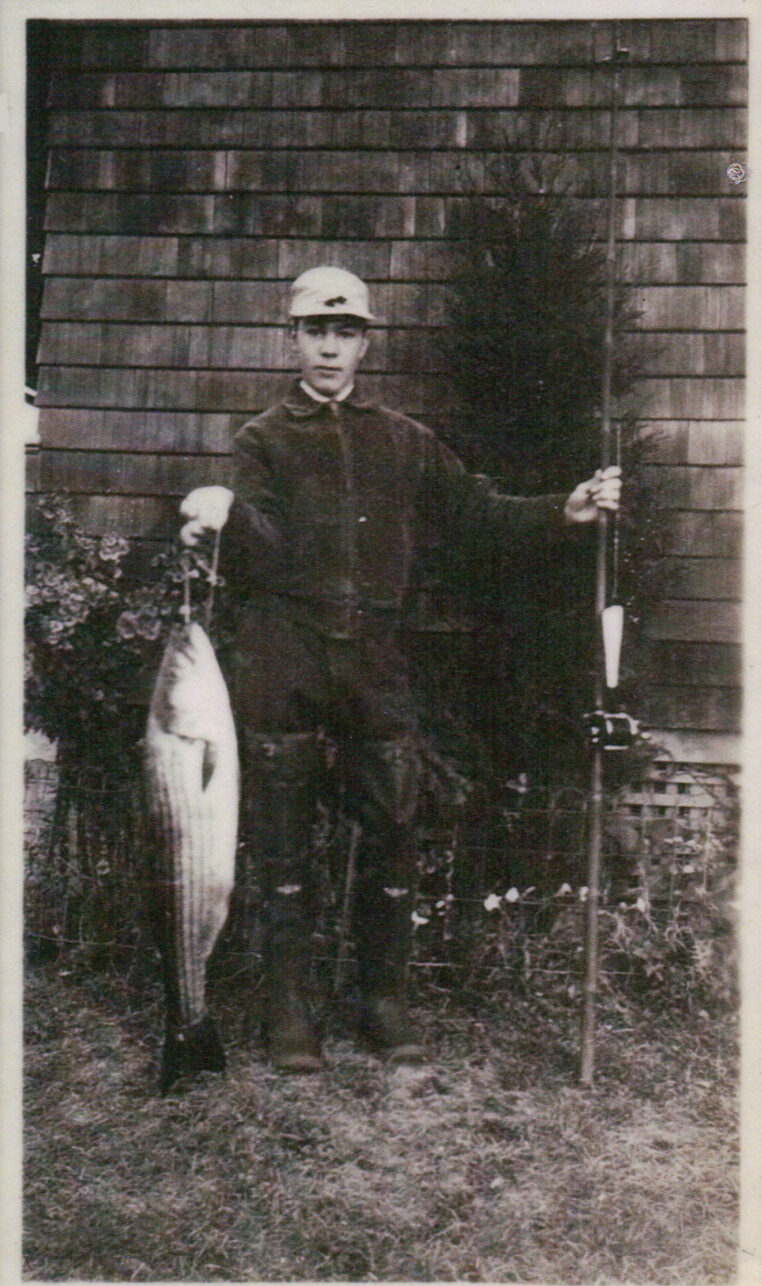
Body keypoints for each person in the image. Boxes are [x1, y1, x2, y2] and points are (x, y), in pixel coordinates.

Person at [180, 266, 621, 1072]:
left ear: (364, 343)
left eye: (345, 332)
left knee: (391, 832)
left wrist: (565, 509)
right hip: (285, 661)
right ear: (293, 339)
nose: (329, 347)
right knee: (283, 848)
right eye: (316, 330)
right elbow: (262, 554)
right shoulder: (262, 442)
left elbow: (478, 513)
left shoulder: (404, 440)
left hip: (376, 665)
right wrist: (227, 517)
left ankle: (383, 1001)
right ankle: (292, 1014)